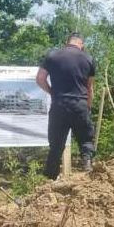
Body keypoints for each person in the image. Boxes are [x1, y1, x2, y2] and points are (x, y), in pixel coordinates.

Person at [36, 33, 96, 179]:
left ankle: (50, 178)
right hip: (80, 104)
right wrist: (87, 107)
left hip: (59, 105)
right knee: (86, 139)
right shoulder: (89, 59)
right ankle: (87, 165)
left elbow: (40, 79)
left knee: (56, 145)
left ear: (66, 42)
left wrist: (52, 93)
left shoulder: (52, 56)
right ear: (81, 44)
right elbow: (90, 88)